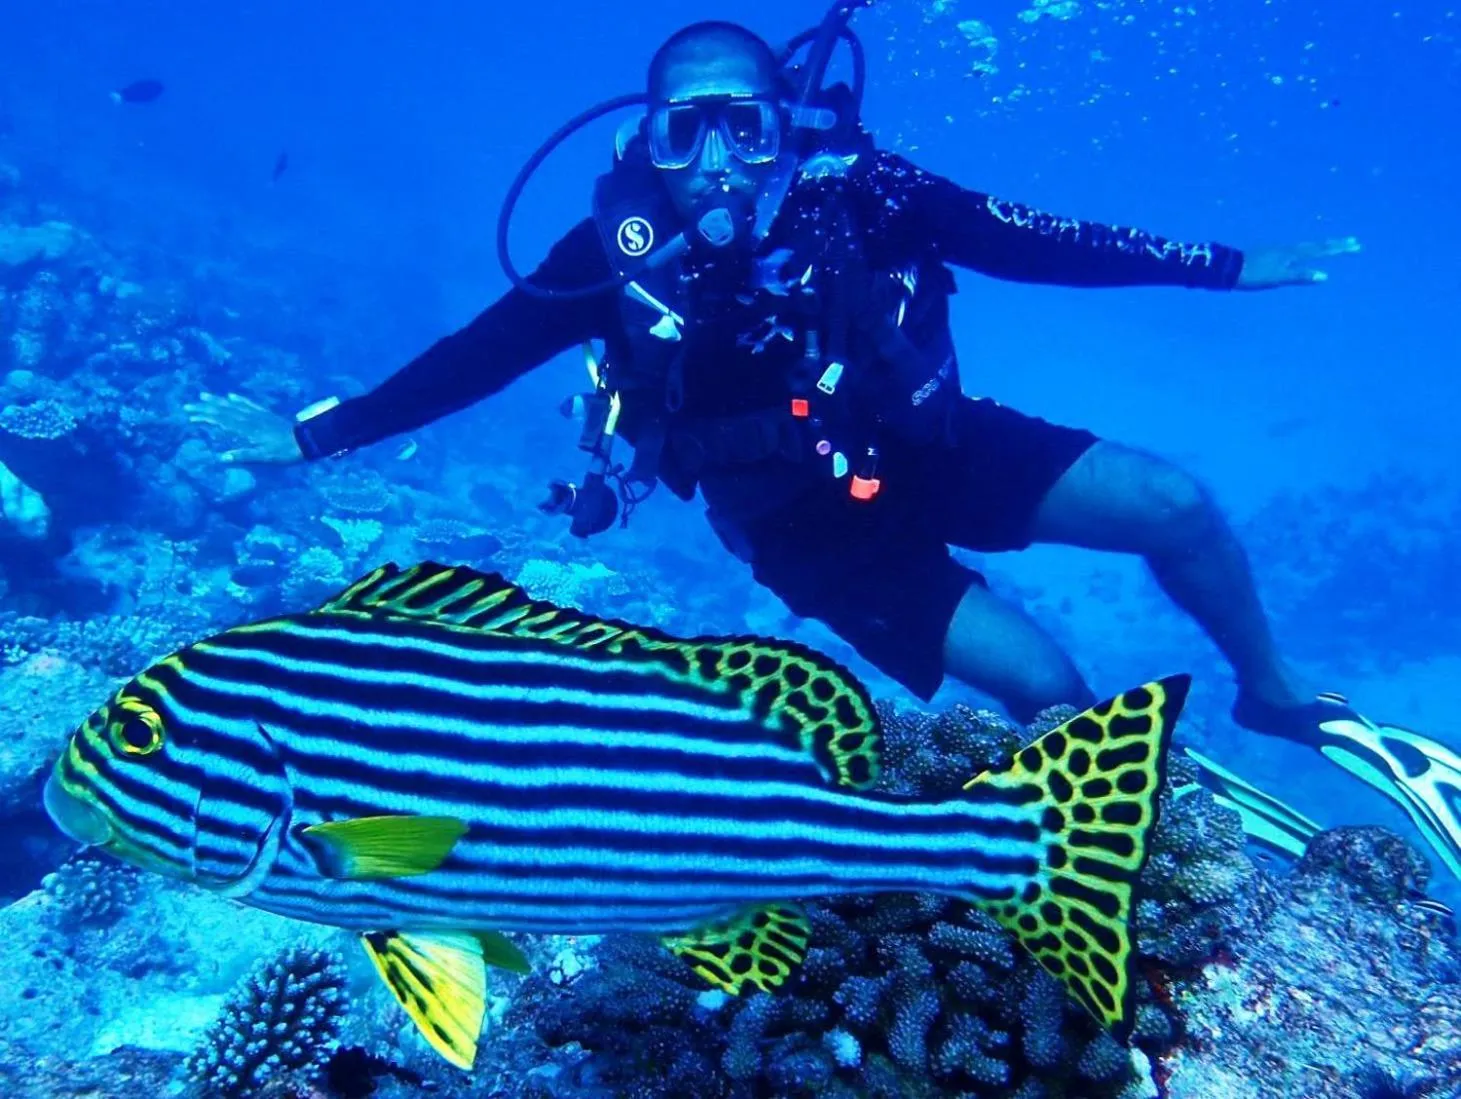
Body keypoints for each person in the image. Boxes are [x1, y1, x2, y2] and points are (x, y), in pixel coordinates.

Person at [187, 17, 1459, 878]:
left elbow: (1040, 238)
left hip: (937, 442)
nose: (716, 163)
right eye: (682, 134)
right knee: (1052, 689)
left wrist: (1225, 269)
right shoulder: (606, 261)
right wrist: (316, 438)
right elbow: (471, 358)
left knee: (1174, 501)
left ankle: (1277, 692)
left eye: (742, 124)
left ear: (786, 122)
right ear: (647, 143)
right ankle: (1125, 863)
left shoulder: (868, 191)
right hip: (802, 526)